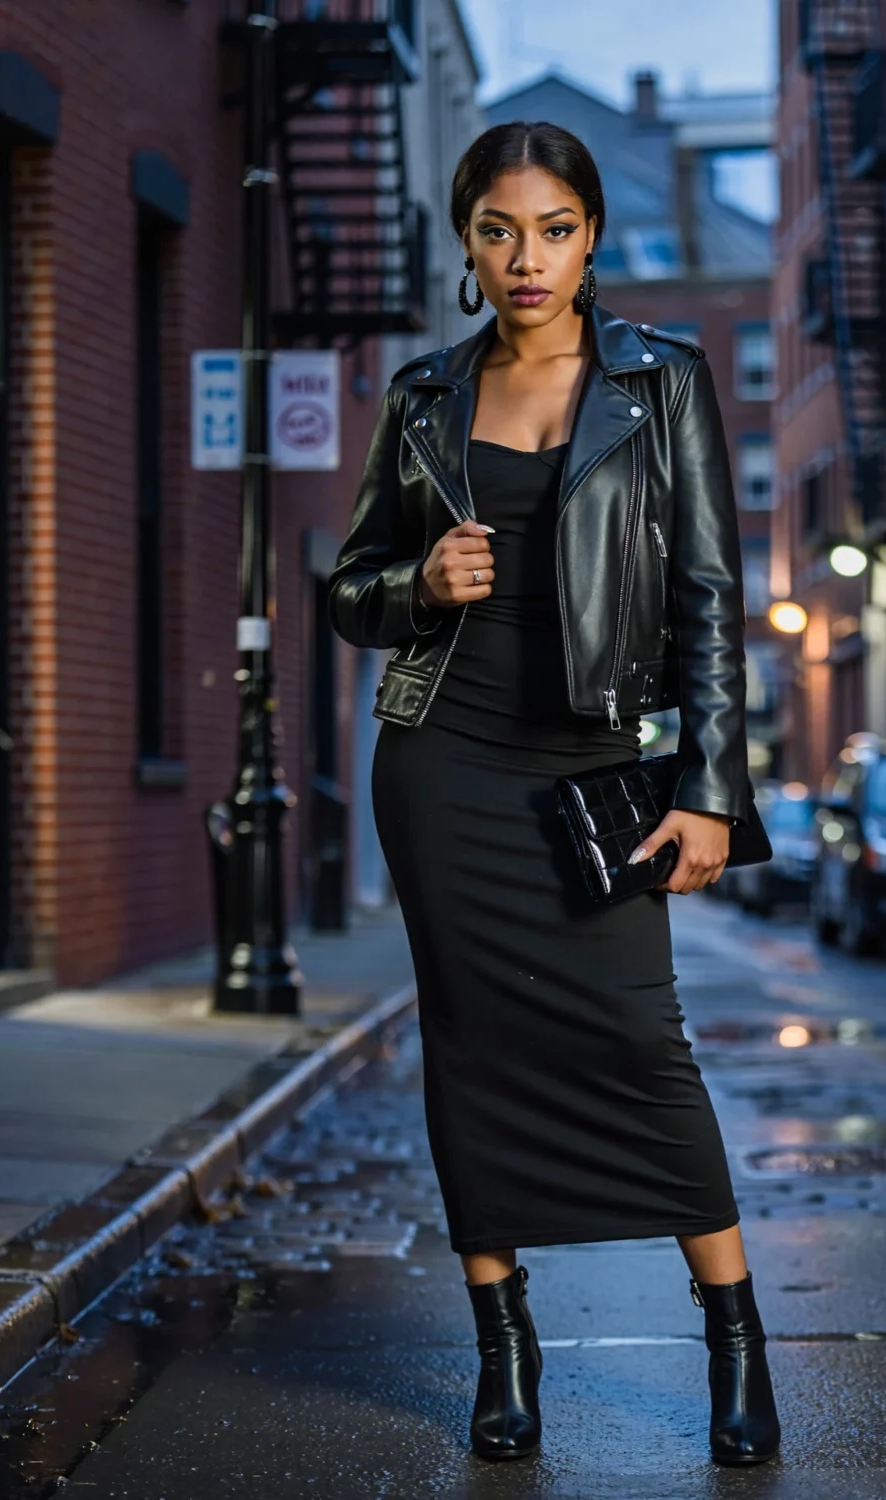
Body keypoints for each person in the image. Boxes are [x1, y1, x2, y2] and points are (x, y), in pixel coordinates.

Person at [328, 121, 780, 1468]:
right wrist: (417, 585)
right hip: (442, 763)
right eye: (498, 231)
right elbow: (349, 588)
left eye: (555, 230)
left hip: (588, 763)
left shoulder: (662, 383)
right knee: (469, 1042)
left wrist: (711, 787)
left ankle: (735, 1337)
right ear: (466, 244)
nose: (527, 258)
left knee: (643, 1037)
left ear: (592, 239)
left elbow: (711, 596)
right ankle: (503, 1344)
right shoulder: (421, 396)